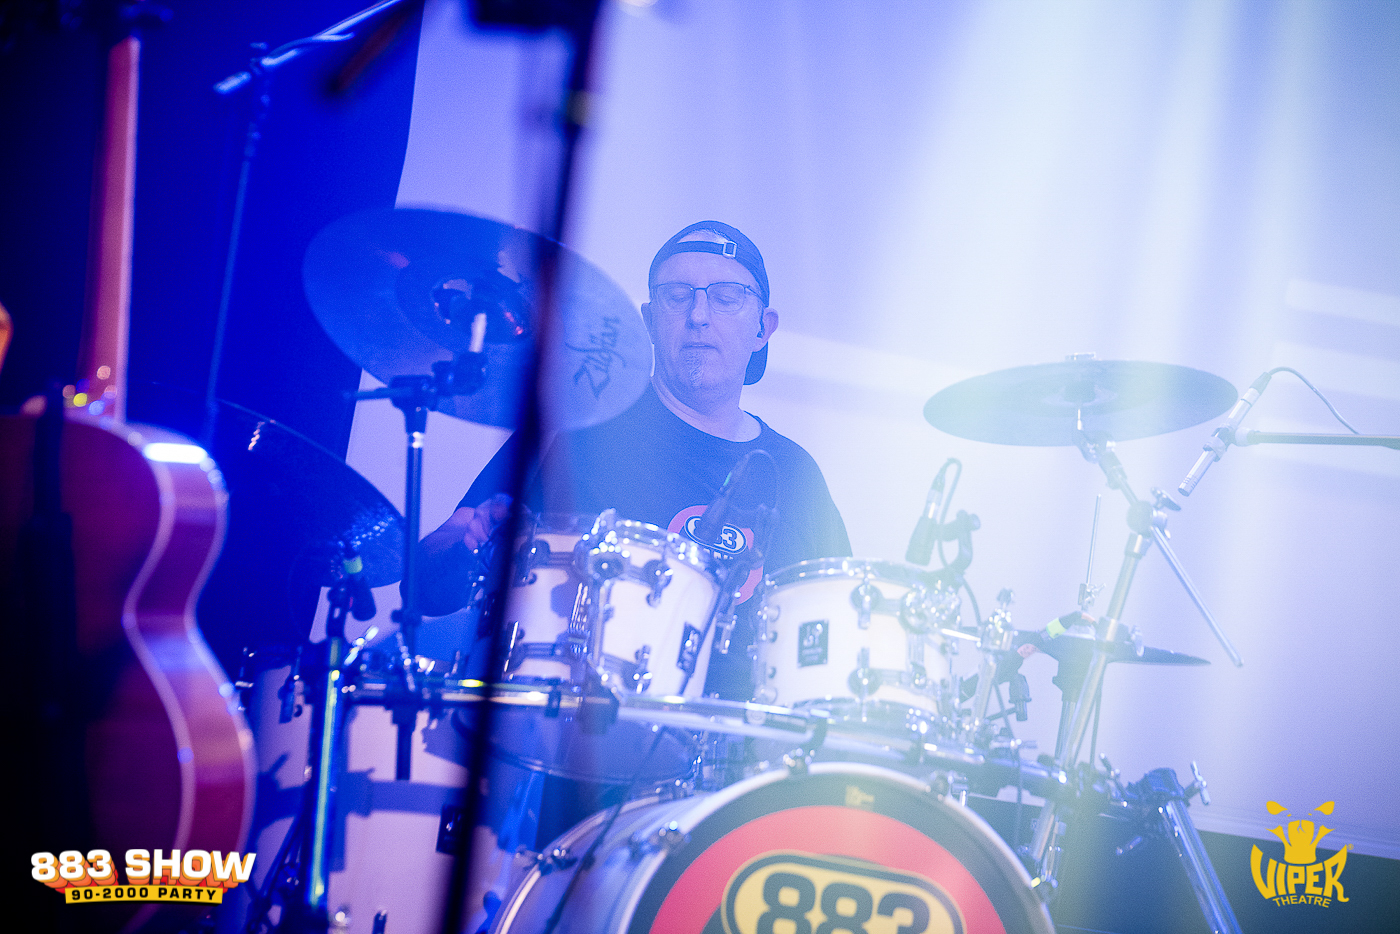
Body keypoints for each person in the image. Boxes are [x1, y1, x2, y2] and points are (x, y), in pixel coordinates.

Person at [419, 221, 850, 697]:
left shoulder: (796, 476)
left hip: (738, 742)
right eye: (677, 296)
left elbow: (837, 647)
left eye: (726, 297)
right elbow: (425, 588)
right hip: (571, 731)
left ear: (762, 329)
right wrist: (466, 545)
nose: (699, 315)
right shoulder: (576, 429)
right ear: (648, 320)